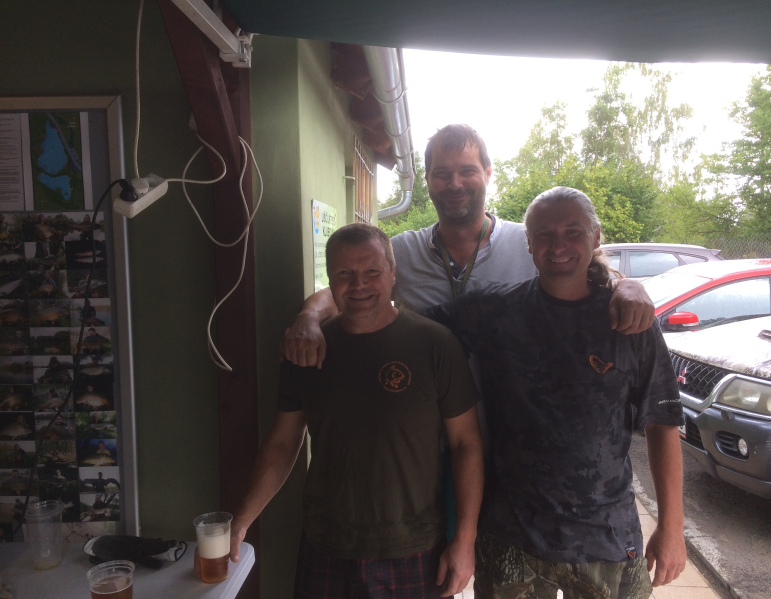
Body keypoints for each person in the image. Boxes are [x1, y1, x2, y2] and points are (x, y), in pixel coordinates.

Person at [424, 187, 686, 598]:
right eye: (544, 234)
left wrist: (672, 528)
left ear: (595, 237)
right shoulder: (495, 312)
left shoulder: (630, 322)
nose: (558, 245)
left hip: (608, 537)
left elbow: (663, 424)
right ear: (529, 243)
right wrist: (324, 307)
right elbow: (401, 325)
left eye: (572, 232)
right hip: (512, 538)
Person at [230, 223, 485, 597]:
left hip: (412, 546)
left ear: (393, 275)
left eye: (372, 271)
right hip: (325, 543)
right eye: (344, 273)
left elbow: (466, 444)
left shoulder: (435, 344)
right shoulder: (307, 351)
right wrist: (242, 520)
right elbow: (283, 442)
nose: (359, 284)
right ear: (331, 280)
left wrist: (464, 541)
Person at [281, 125, 655, 370]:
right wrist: (308, 318)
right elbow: (349, 288)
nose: (455, 183)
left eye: (467, 171)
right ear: (428, 180)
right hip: (431, 427)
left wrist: (628, 285)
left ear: (488, 175)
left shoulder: (529, 244)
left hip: (515, 428)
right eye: (442, 173)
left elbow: (584, 277)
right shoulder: (403, 251)